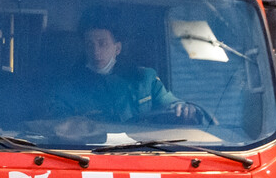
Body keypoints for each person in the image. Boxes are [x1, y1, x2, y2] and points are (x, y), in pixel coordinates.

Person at [50, 21, 197, 136]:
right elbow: (58, 128)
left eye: (103, 43)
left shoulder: (145, 78)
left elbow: (170, 104)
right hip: (90, 156)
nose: (96, 51)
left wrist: (181, 107)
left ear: (117, 48)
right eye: (90, 45)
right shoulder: (68, 88)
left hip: (144, 153)